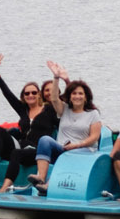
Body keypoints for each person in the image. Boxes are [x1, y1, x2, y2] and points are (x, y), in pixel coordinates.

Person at [0, 55, 64, 191]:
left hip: (36, 151)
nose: (30, 95)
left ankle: (5, 187)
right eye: (27, 94)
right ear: (23, 96)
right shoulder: (23, 110)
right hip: (21, 146)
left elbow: (63, 112)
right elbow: (7, 94)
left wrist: (57, 77)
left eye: (34, 92)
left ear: (39, 94)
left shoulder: (49, 110)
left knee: (16, 153)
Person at [28, 65, 102, 193]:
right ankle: (41, 177)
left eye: (80, 94)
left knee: (69, 154)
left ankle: (49, 185)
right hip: (63, 148)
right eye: (74, 93)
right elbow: (54, 98)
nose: (77, 96)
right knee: (45, 140)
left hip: (84, 151)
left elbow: (94, 137)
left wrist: (77, 145)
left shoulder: (93, 113)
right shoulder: (64, 109)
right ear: (70, 96)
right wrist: (56, 77)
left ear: (86, 97)